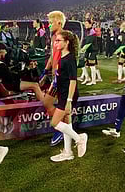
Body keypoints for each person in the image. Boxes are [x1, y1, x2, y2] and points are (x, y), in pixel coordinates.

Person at [49, 30, 88, 162]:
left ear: (67, 42)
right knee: (66, 122)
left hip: (67, 96)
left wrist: (69, 100)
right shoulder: (62, 56)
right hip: (62, 94)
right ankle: (68, 152)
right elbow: (61, 78)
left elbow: (73, 80)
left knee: (55, 123)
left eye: (59, 40)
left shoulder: (70, 58)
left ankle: (79, 139)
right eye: (55, 40)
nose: (56, 43)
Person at [43, 11, 67, 147]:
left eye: (51, 22)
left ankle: (61, 130)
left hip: (62, 77)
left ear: (59, 22)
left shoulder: (64, 37)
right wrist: (46, 70)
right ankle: (61, 128)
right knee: (48, 102)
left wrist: (60, 74)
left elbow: (69, 58)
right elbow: (53, 57)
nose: (49, 25)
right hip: (55, 76)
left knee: (62, 106)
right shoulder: (54, 37)